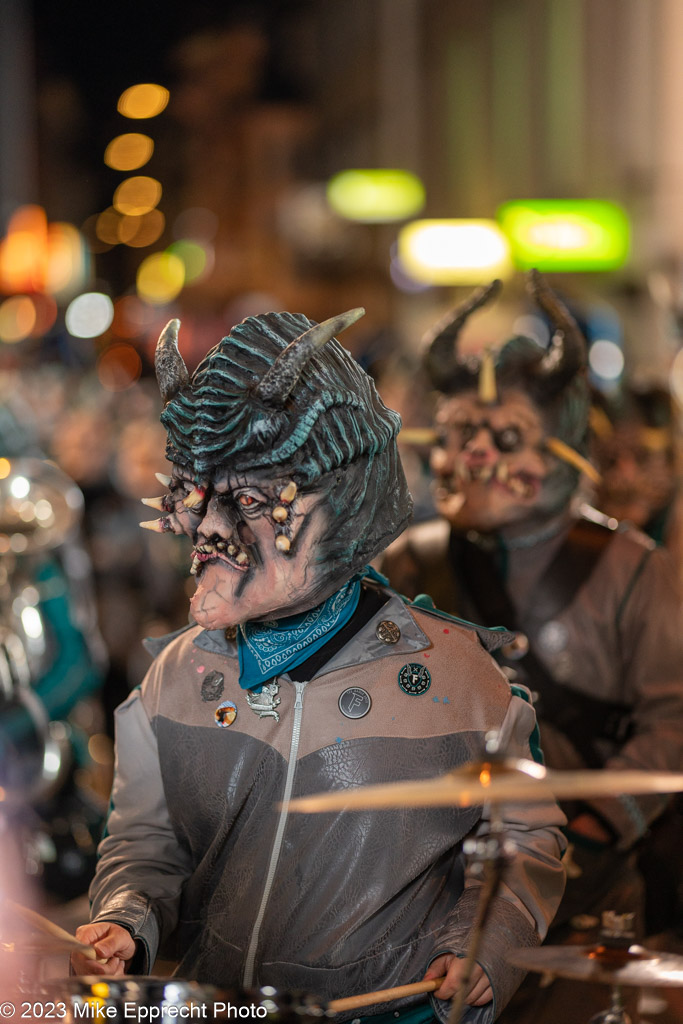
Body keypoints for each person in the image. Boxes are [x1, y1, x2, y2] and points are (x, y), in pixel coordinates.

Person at [71, 308, 566, 1023]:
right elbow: (148, 841)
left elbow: (523, 835)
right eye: (196, 493)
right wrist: (125, 919)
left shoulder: (456, 674)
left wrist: (485, 945)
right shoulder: (175, 675)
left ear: (339, 504)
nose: (208, 528)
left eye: (245, 499)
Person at [382, 272, 683, 1020]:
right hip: (425, 895)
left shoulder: (635, 571)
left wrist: (578, 831)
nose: (471, 457)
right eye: (455, 435)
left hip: (585, 892)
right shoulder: (406, 561)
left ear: (560, 446)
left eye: (503, 437)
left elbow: (673, 723)